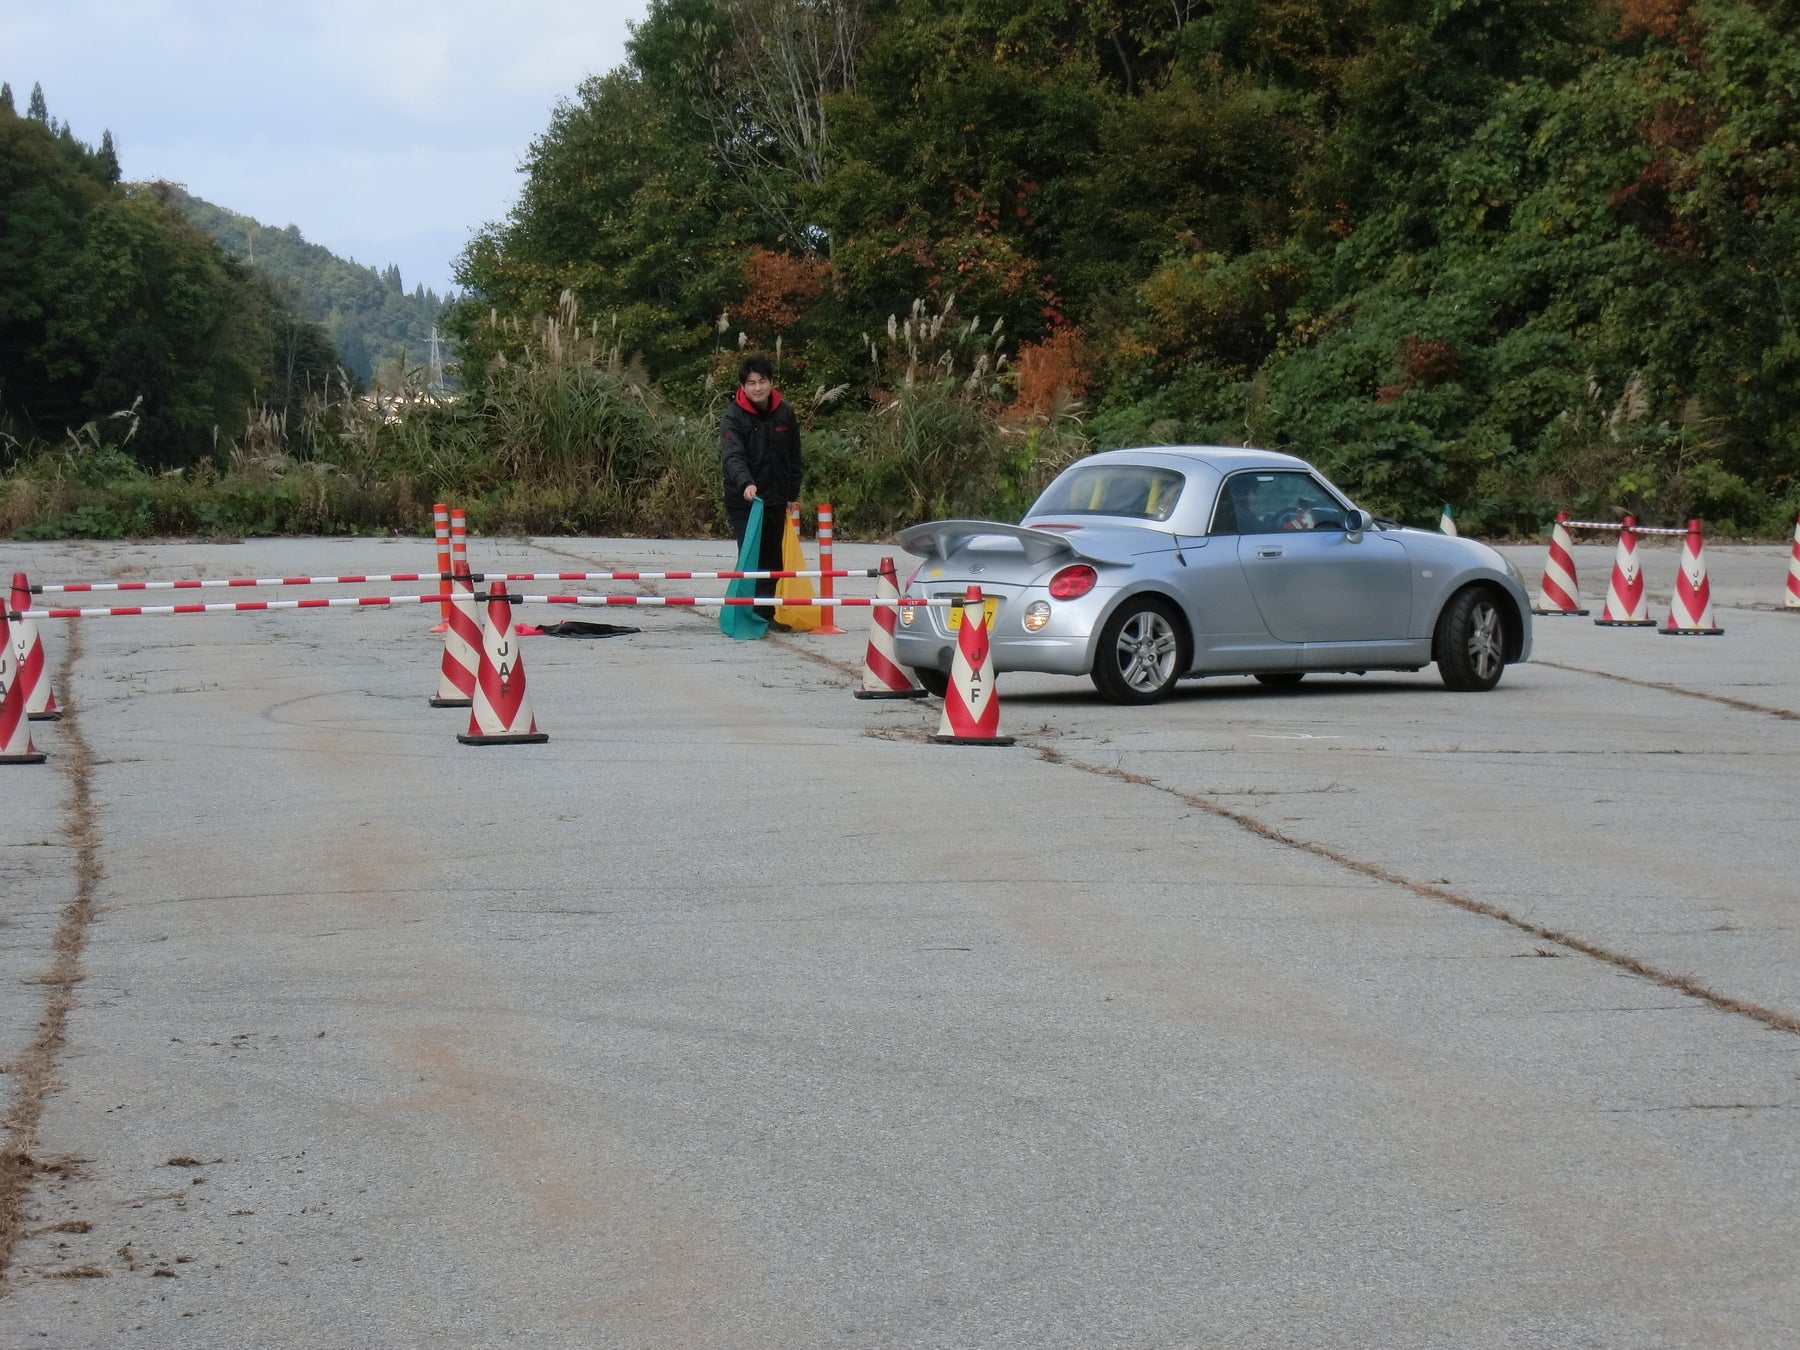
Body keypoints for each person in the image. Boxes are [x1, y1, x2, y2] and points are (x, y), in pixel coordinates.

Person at [720, 354, 803, 628]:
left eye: (762, 381)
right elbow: (733, 457)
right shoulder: (733, 416)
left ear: (771, 383)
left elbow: (794, 456)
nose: (757, 388)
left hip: (776, 498)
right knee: (751, 558)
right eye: (751, 383)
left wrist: (793, 493)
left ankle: (766, 616)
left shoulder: (785, 413)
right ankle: (746, 614)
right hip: (745, 501)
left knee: (772, 561)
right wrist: (746, 483)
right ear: (743, 387)